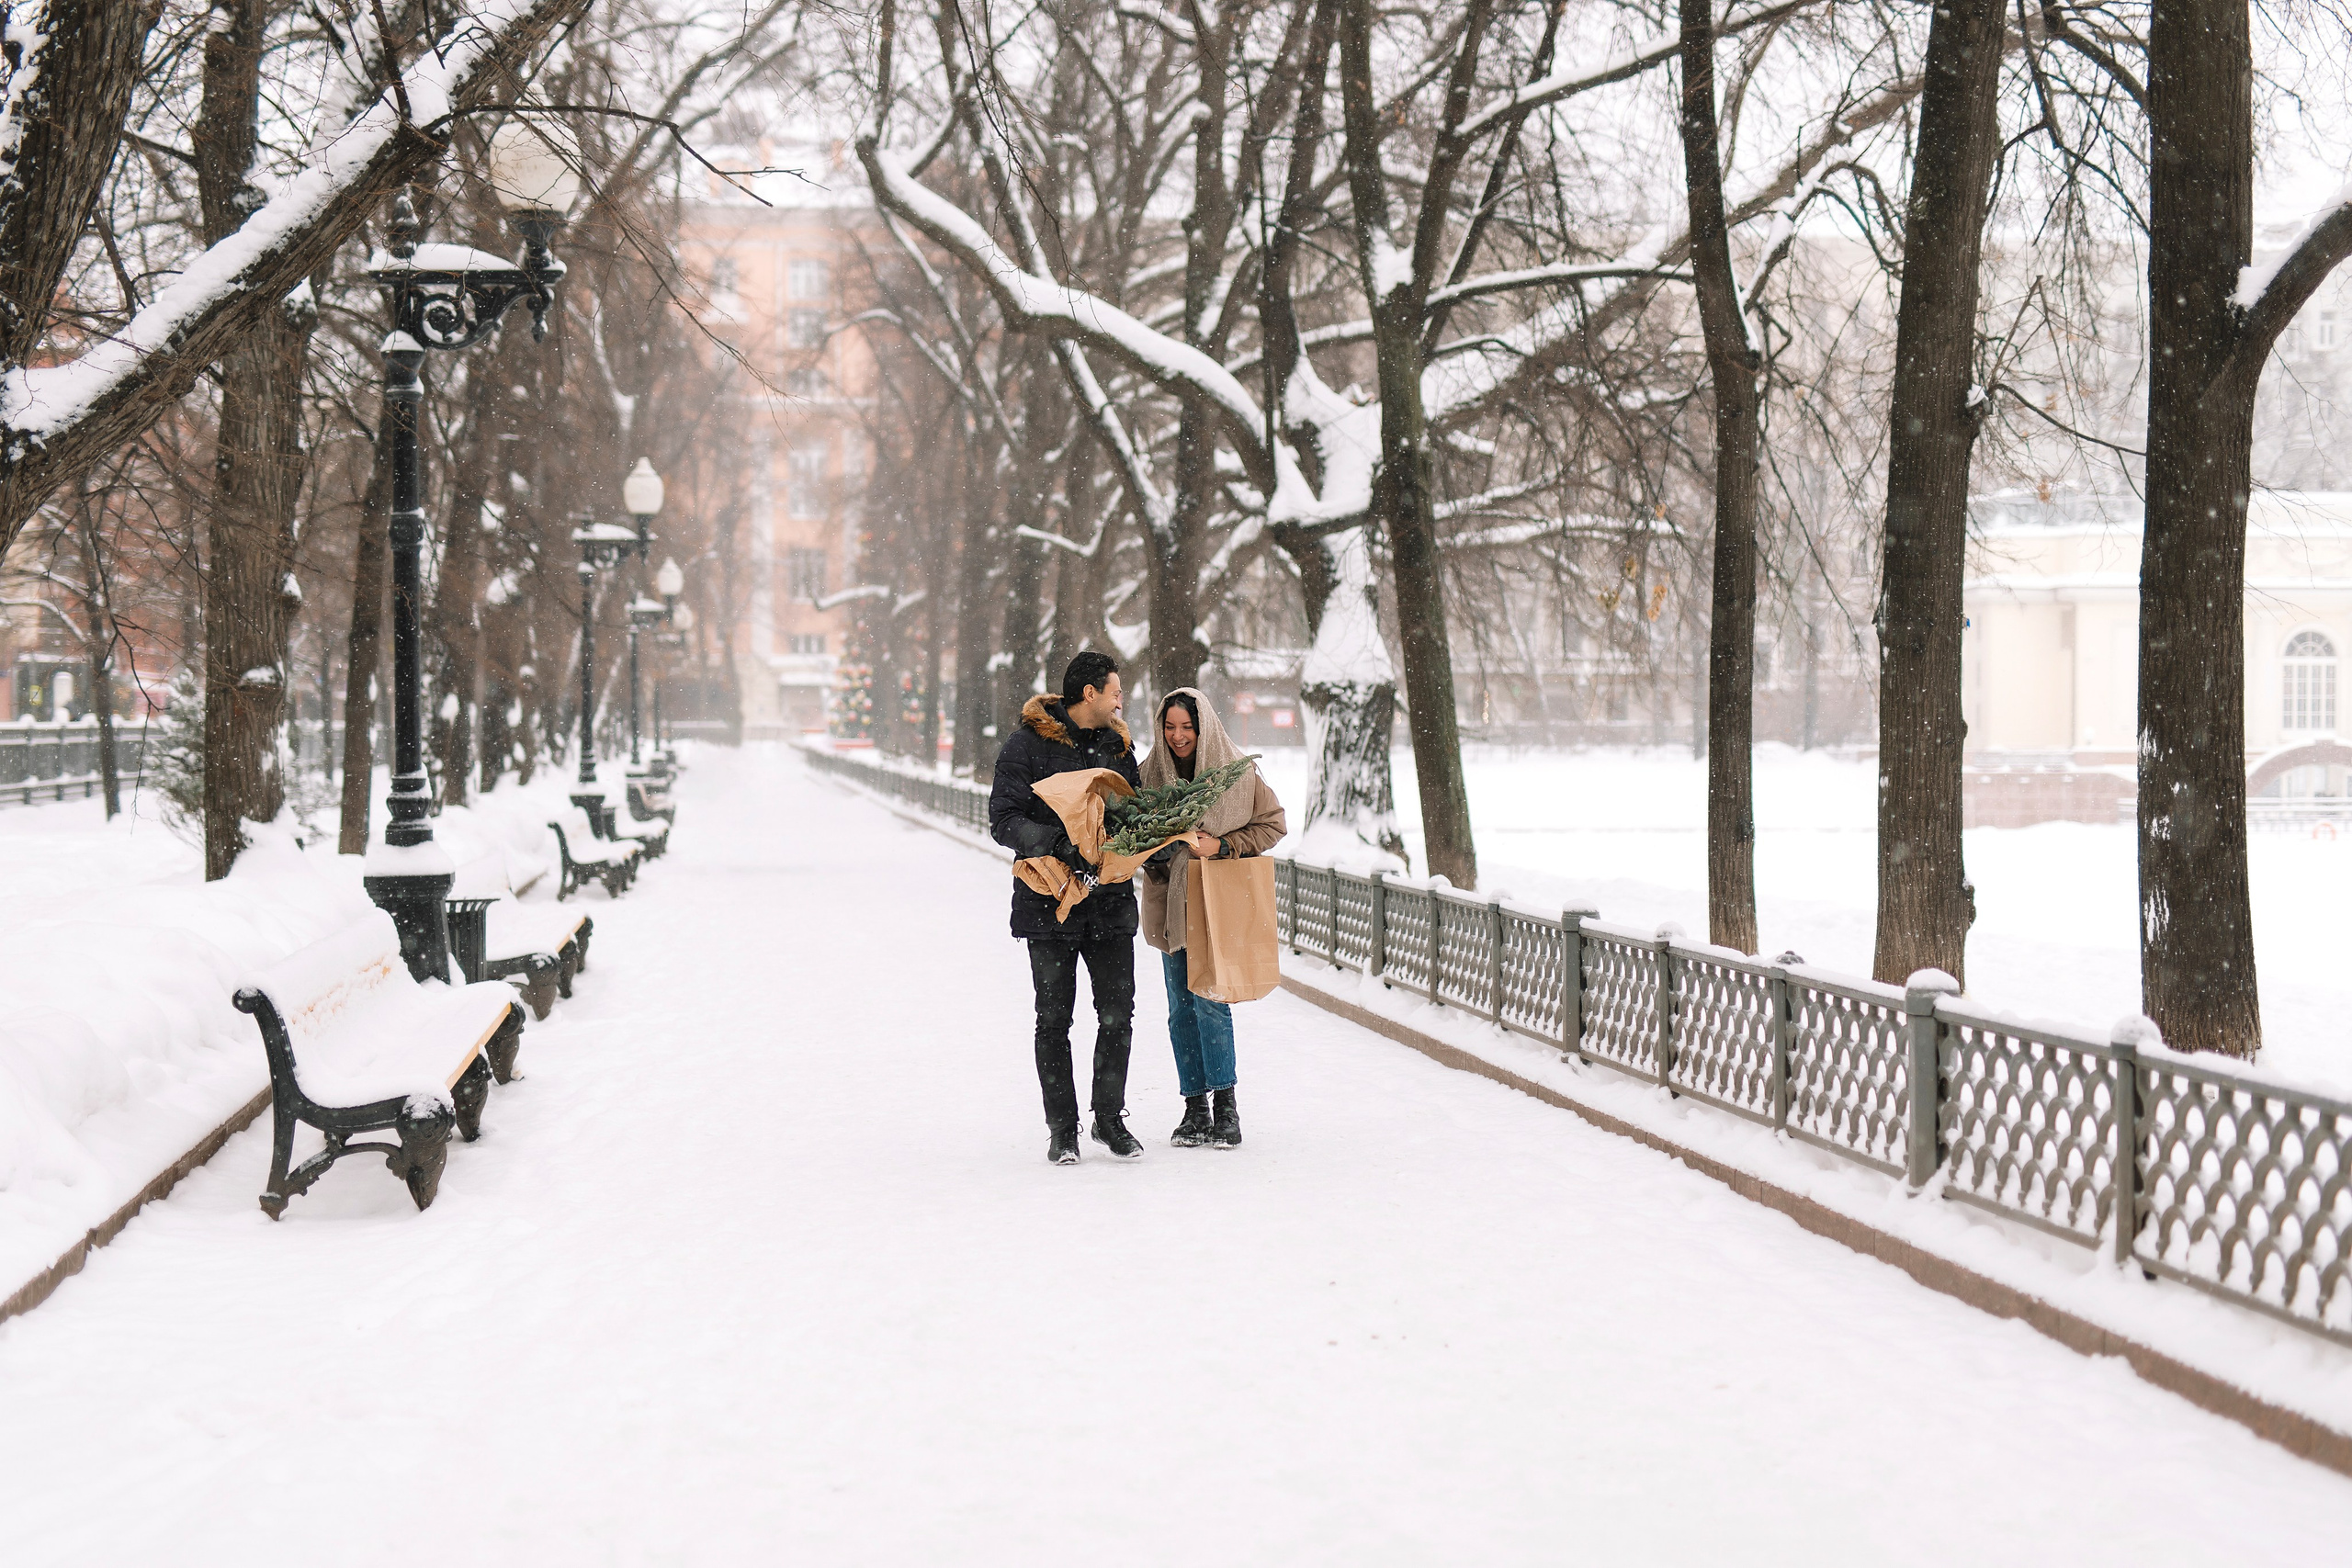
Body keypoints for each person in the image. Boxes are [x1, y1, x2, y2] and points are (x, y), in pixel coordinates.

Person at [987, 651, 1146, 1165]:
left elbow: (1132, 810)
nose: (1122, 700)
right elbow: (1003, 819)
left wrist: (1131, 839)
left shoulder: (1118, 745)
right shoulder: (1027, 745)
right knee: (1054, 1019)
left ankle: (1108, 1119)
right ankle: (1063, 1128)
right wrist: (1059, 842)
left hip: (1110, 906)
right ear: (1090, 694)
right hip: (1049, 906)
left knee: (1117, 1015)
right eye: (1115, 691)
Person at [1138, 688, 1286, 1149]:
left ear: (1204, 728)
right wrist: (1154, 851)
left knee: (1210, 1002)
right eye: (1170, 726)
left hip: (1214, 904)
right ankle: (1193, 1109)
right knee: (1179, 1008)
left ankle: (1226, 1107)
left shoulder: (1237, 774)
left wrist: (1220, 846)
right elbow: (1130, 832)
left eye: (1187, 727)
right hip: (1171, 907)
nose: (1178, 736)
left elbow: (1273, 824)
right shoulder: (1149, 775)